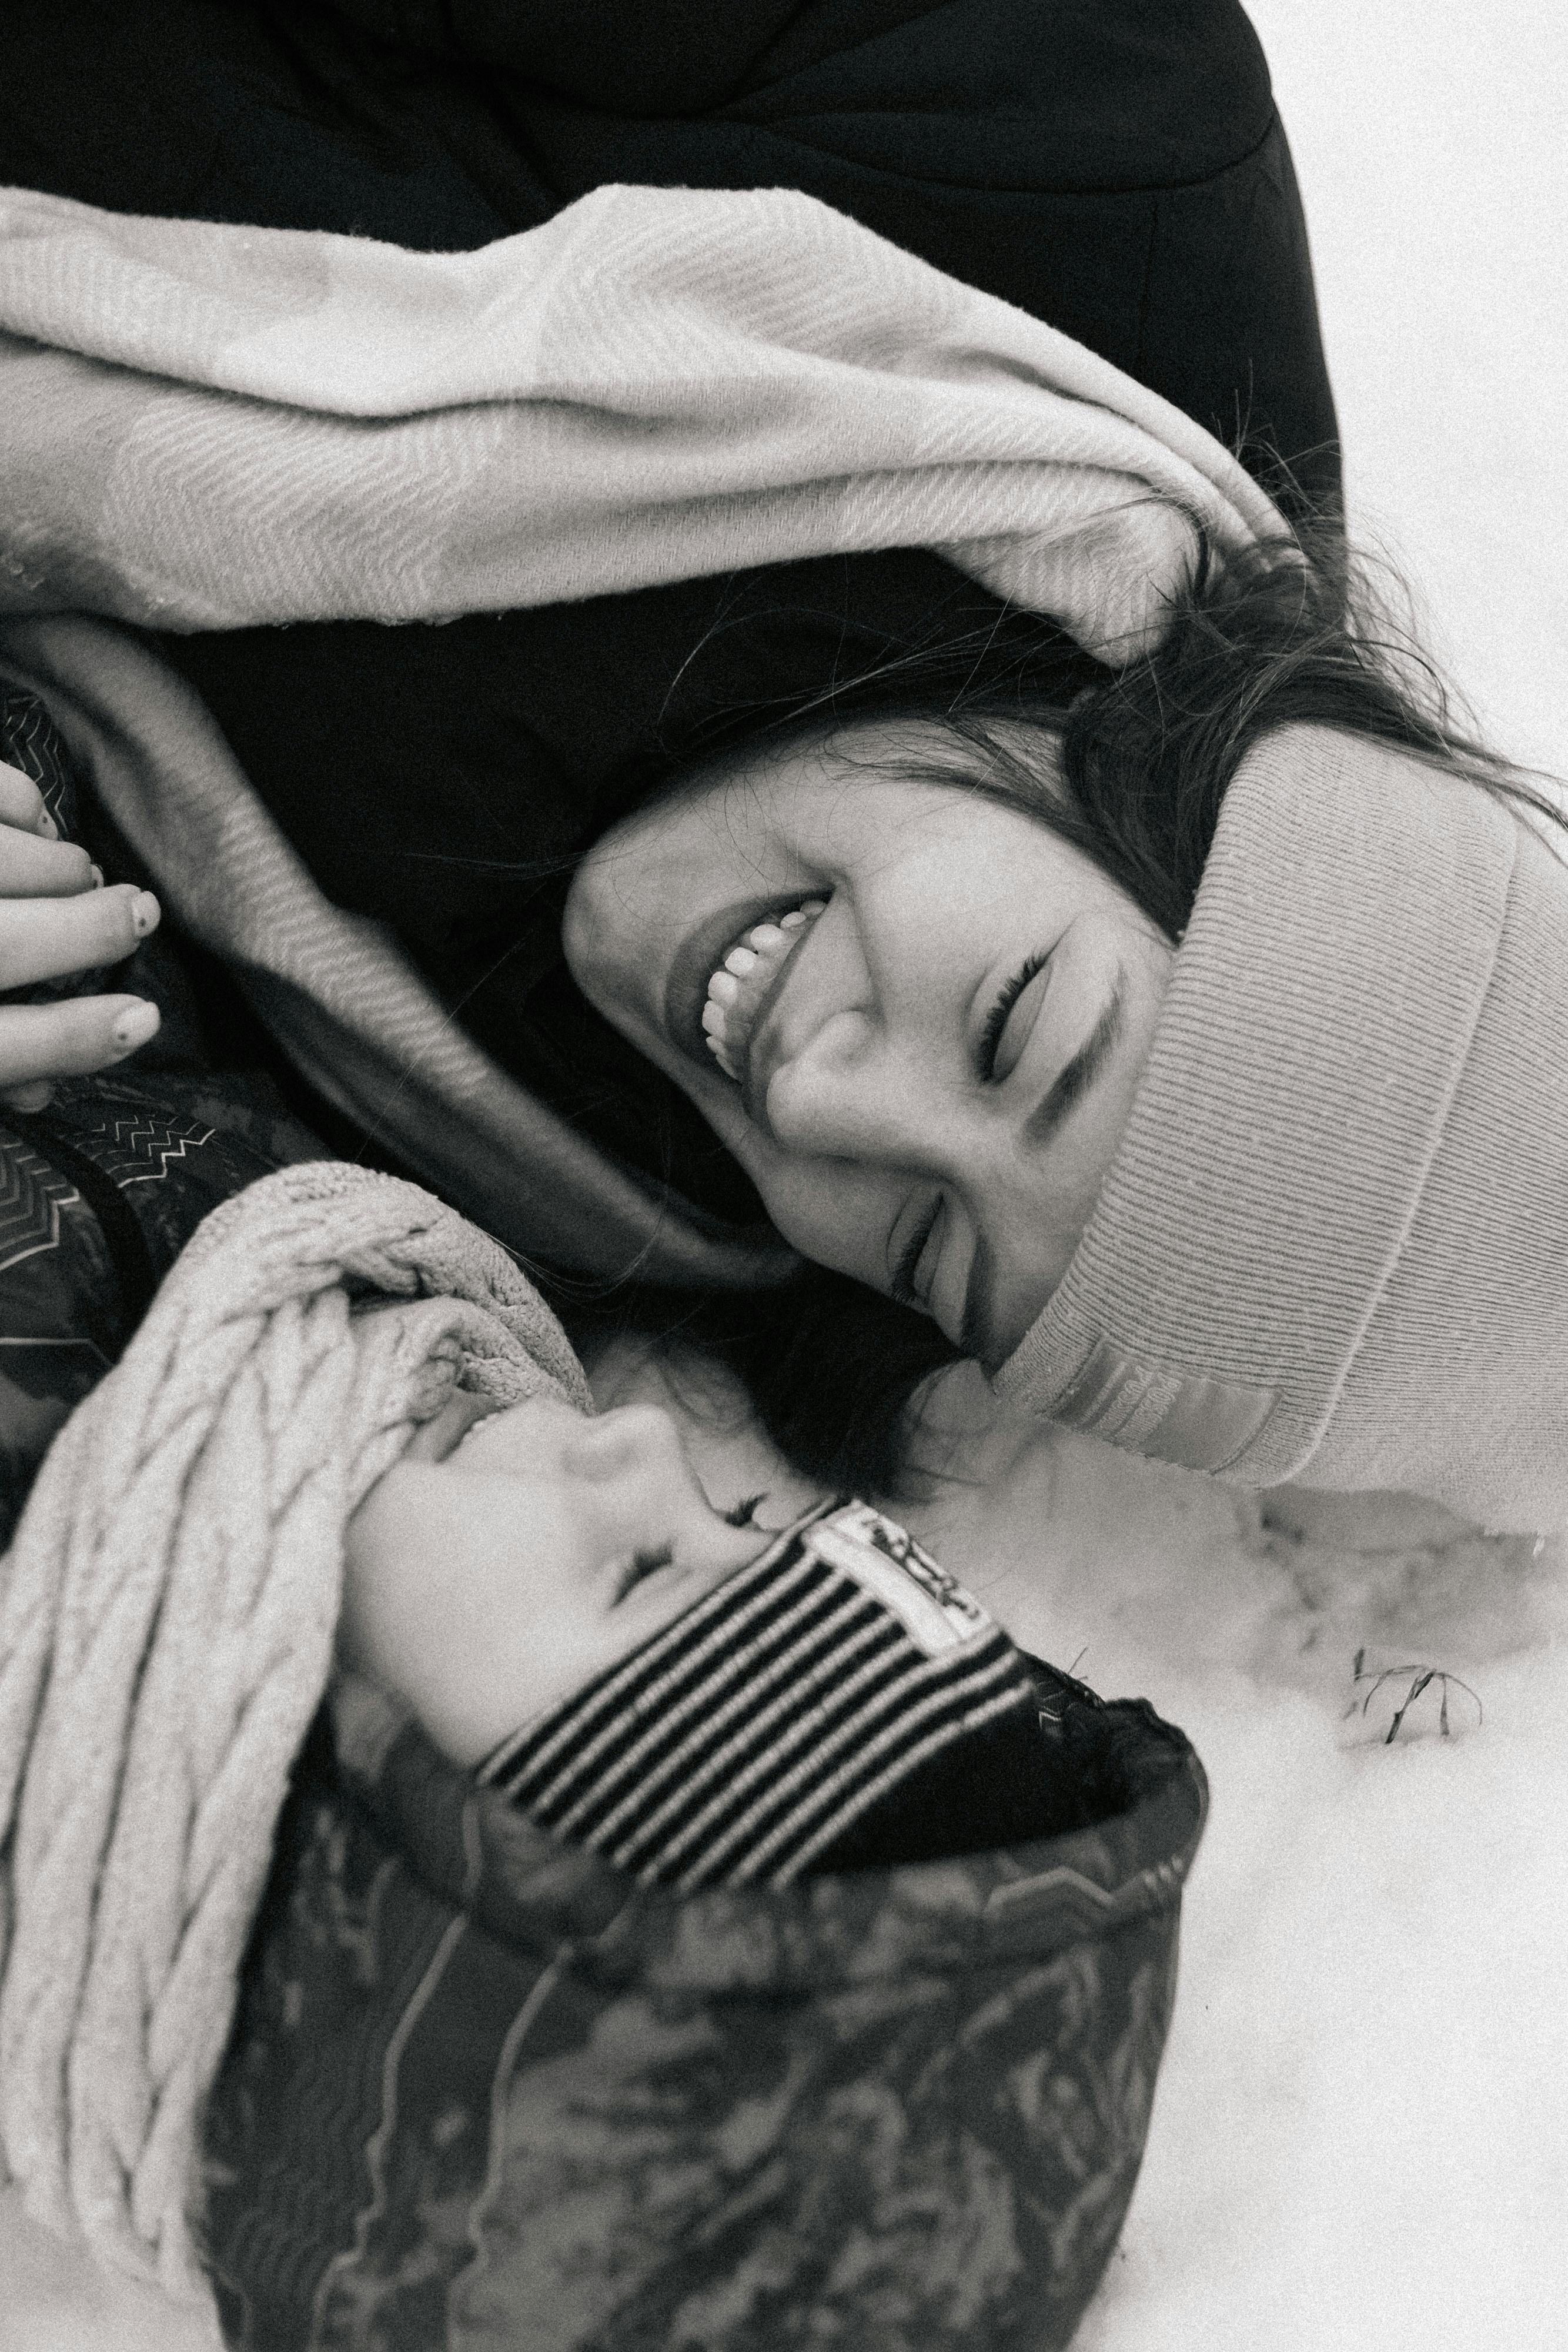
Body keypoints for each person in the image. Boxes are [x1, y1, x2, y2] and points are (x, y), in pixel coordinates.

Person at [0, 1143, 1205, 2350]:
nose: (637, 1440)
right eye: (736, 1514)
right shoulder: (325, 1300)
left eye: (640, 1570)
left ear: (365, 1870)